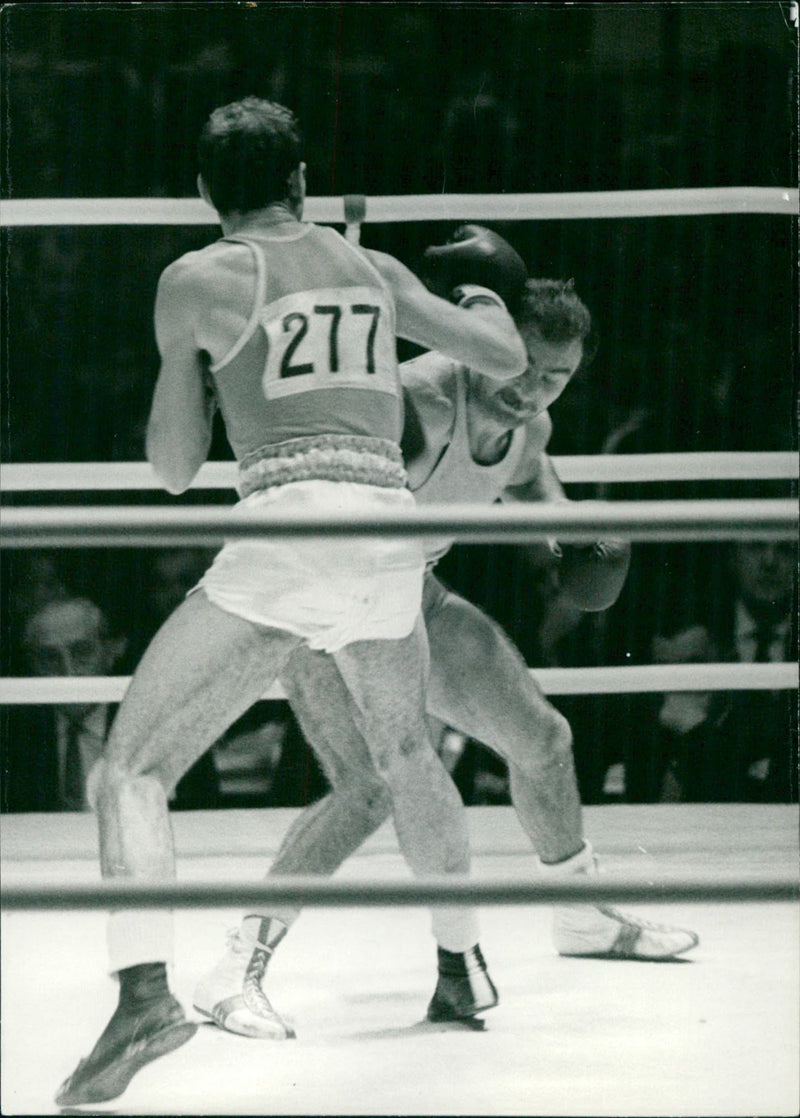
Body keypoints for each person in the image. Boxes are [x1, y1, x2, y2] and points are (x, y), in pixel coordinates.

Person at [55, 99, 527, 1107]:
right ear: (303, 182)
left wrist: (194, 371)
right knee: (403, 753)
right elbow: (505, 357)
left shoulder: (196, 278)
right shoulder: (371, 269)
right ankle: (459, 965)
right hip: (391, 536)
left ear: (203, 192)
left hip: (293, 525)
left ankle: (144, 994)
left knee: (132, 765)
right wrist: (492, 297)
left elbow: (175, 468)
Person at [190, 231, 699, 1043]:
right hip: (323, 599)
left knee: (543, 738)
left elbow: (537, 487)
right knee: (368, 790)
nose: (532, 390)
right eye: (522, 365)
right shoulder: (417, 398)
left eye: (556, 378)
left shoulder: (529, 429)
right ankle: (235, 965)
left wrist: (579, 540)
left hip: (413, 594)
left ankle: (582, 913)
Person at [1, 596, 218, 812]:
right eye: (49, 657)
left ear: (113, 650)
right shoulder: (12, 734)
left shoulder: (163, 726)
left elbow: (202, 813)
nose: (67, 671)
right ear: (31, 662)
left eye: (82, 651)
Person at [647, 539, 798, 803]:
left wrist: (697, 732)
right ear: (732, 558)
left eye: (786, 550)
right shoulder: (689, 643)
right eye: (755, 547)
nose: (769, 562)